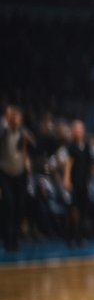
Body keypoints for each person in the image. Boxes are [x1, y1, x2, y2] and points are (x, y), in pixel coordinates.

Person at [0, 106, 35, 251]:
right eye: (13, 118)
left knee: (19, 208)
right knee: (9, 206)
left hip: (20, 174)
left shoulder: (23, 134)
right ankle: (8, 240)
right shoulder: (3, 133)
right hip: (5, 173)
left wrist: (27, 161)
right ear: (9, 120)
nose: (15, 121)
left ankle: (15, 239)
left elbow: (30, 147)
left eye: (18, 119)